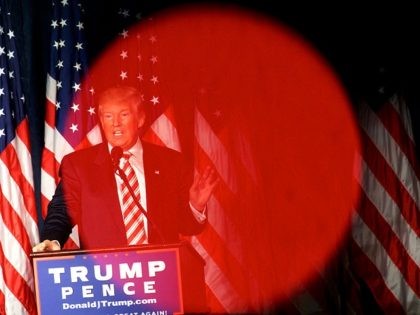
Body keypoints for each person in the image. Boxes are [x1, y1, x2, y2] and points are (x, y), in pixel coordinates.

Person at [33, 86, 218, 251]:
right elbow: (62, 211)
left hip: (160, 273)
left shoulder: (170, 162)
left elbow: (186, 226)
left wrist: (195, 206)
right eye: (108, 116)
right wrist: (53, 240)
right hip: (105, 277)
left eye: (124, 114)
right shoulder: (78, 165)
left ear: (140, 119)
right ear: (101, 120)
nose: (116, 123)